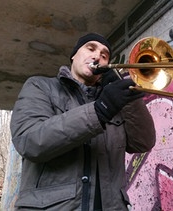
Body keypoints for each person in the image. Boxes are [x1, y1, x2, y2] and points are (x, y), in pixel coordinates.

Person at [10, 33, 156, 210]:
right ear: (73, 55)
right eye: (90, 48)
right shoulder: (40, 86)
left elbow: (143, 143)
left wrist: (130, 100)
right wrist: (99, 110)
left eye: (104, 55)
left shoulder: (113, 103)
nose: (97, 56)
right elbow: (30, 141)